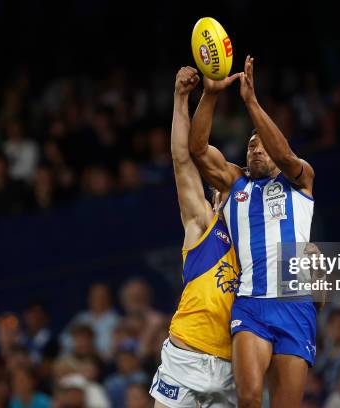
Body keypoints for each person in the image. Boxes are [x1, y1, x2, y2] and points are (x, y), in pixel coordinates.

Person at [189, 56, 316, 407]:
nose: (256, 147)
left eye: (263, 143)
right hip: (251, 303)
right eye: (250, 143)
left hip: (295, 305)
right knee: (247, 399)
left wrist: (251, 102)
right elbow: (198, 150)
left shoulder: (301, 179)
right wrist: (211, 94)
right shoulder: (234, 183)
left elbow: (286, 155)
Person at [148, 67, 240, 407]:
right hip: (185, 358)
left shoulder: (258, 243)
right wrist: (181, 98)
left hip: (235, 367)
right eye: (219, 189)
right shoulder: (205, 224)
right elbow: (182, 160)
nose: (224, 192)